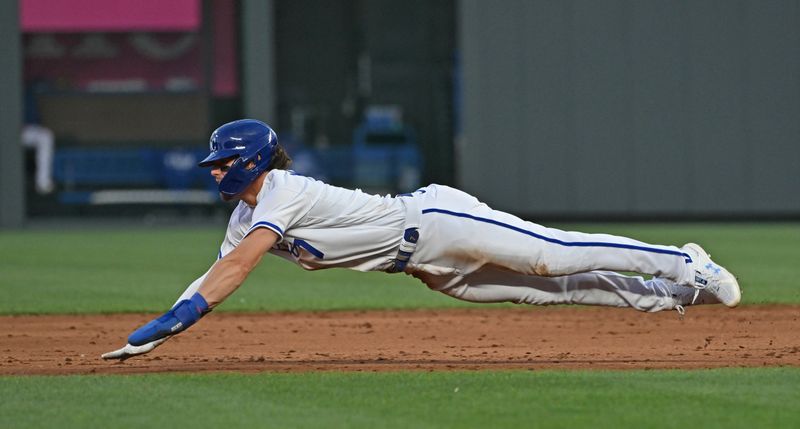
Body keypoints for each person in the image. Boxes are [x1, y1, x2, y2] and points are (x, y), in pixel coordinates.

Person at [102, 119, 741, 360]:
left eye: (219, 162)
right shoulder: (245, 217)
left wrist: (179, 318)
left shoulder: (280, 192)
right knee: (553, 293)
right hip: (426, 268)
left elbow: (238, 270)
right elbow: (220, 267)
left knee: (555, 254)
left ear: (248, 162)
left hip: (437, 221)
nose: (212, 171)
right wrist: (160, 331)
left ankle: (687, 264)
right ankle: (674, 298)